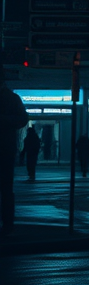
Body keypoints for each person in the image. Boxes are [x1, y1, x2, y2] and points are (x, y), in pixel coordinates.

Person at [1, 79, 29, 237]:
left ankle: (7, 224)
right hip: (6, 147)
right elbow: (22, 119)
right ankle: (7, 224)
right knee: (6, 188)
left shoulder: (11, 98)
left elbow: (22, 119)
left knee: (6, 188)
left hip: (5, 148)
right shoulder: (12, 98)